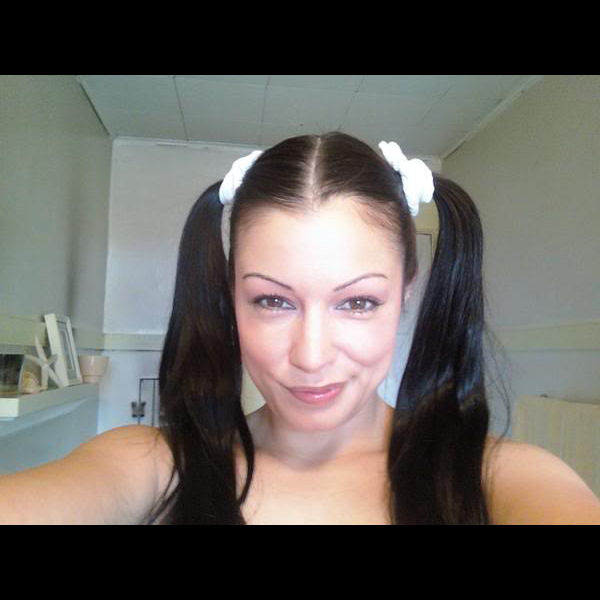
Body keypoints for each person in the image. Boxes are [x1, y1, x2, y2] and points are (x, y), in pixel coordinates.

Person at [1, 132, 599, 524]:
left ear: (406, 293)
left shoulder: (502, 479)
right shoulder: (153, 464)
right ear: (230, 296)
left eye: (358, 302)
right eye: (273, 301)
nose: (311, 357)